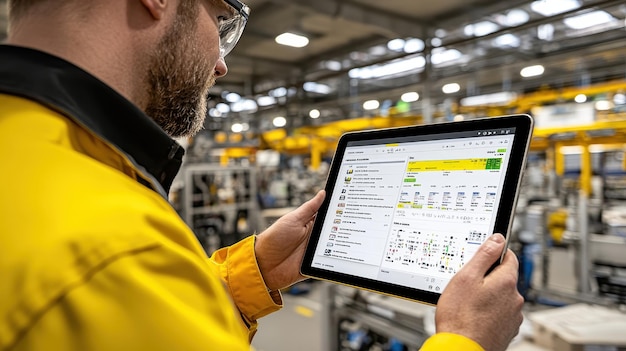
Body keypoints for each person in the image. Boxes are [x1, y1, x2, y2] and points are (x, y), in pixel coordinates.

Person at [0, 0, 523, 350]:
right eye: (221, 21)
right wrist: (465, 339)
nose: (222, 64)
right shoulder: (113, 252)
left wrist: (252, 278)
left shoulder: (34, 160)